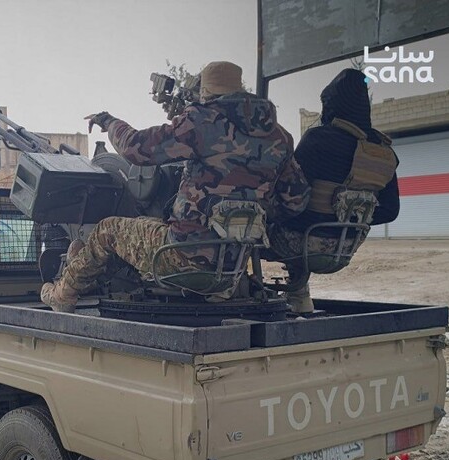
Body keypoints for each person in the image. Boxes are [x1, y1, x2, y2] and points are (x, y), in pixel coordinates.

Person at [41, 61, 309, 313]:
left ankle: (63, 294)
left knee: (106, 230)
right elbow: (296, 202)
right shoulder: (279, 137)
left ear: (206, 92)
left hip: (181, 256)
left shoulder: (202, 121)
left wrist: (109, 121)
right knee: (148, 224)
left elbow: (136, 148)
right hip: (234, 262)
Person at [266, 69, 399, 313]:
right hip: (345, 247)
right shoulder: (384, 153)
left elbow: (292, 197)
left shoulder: (319, 139)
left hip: (300, 244)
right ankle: (298, 294)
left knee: (251, 226)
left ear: (332, 104)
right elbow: (390, 211)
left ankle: (236, 291)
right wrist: (349, 217)